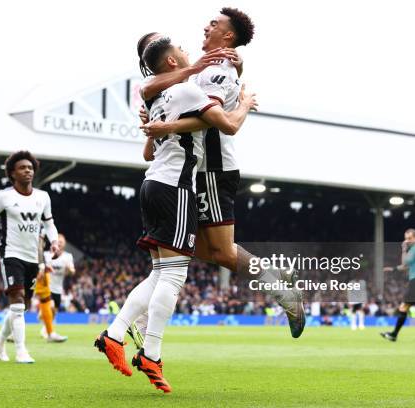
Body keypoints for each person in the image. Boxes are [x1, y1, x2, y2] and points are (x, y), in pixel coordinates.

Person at [94, 36, 257, 393]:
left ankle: (115, 334)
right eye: (181, 50)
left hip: (151, 184)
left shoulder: (157, 98)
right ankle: (151, 353)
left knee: (160, 273)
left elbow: (148, 152)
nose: (188, 51)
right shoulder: (186, 92)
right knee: (173, 278)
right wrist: (244, 102)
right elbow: (226, 124)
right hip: (176, 188)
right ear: (172, 62)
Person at [137, 8, 305, 340]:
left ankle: (279, 285)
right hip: (192, 171)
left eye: (214, 24)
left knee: (219, 251)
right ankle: (275, 278)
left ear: (227, 37)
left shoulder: (216, 71)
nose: (205, 26)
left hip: (211, 170)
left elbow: (216, 119)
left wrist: (167, 124)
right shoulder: (200, 70)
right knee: (179, 246)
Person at [0, 150, 60, 363]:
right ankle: (21, 351)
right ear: (12, 174)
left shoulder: (43, 197)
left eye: (30, 167)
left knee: (24, 305)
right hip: (10, 254)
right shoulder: (3, 197)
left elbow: (49, 224)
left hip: (32, 257)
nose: (27, 170)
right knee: (17, 302)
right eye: (22, 168)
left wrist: (54, 241)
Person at [35, 233, 74, 342]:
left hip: (58, 288)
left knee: (53, 313)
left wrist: (70, 270)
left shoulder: (68, 256)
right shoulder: (46, 255)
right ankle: (43, 314)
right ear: (55, 242)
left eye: (62, 242)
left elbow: (72, 270)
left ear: (64, 244)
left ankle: (45, 329)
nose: (60, 244)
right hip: (47, 286)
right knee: (50, 306)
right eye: (58, 242)